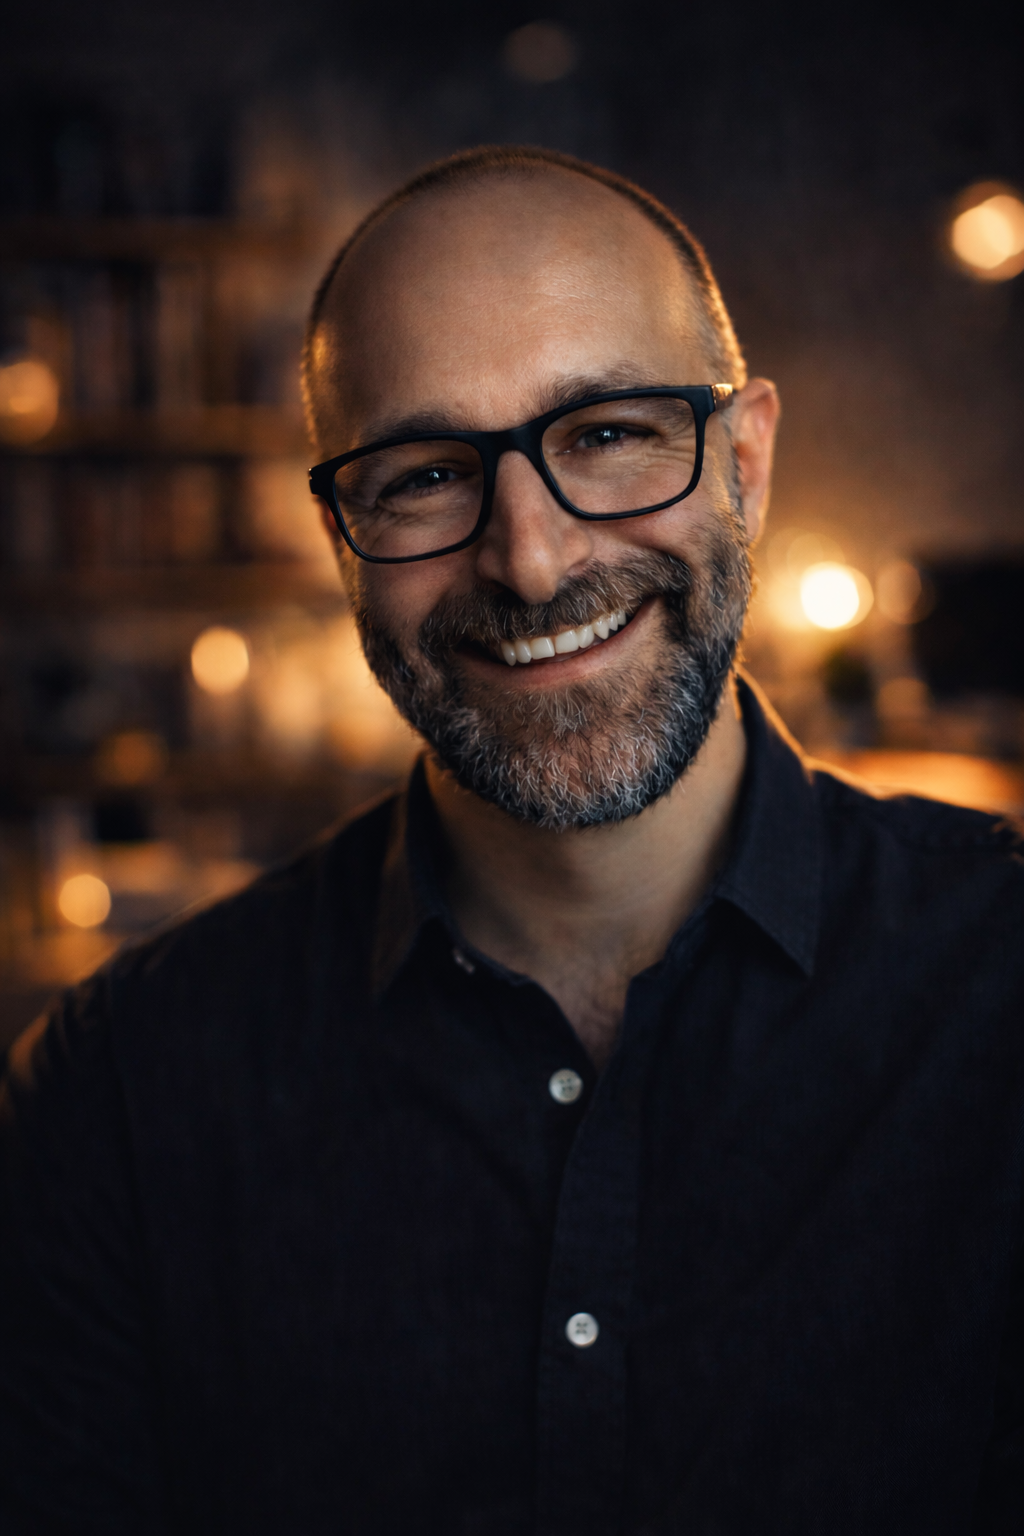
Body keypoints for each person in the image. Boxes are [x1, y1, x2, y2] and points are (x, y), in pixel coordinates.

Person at [1, 145, 1022, 1536]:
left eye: (606, 431)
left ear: (748, 461)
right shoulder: (121, 1090)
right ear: (341, 538)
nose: (531, 560)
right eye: (425, 473)